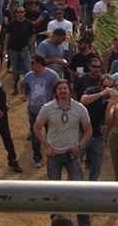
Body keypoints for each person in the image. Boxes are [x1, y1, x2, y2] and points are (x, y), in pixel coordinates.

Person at [34, 80, 92, 226]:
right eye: (60, 89)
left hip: (72, 155)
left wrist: (80, 145)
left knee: (79, 191)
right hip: (54, 155)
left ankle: (84, 223)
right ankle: (56, 222)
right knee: (54, 191)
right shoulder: (47, 108)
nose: (63, 91)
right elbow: (36, 128)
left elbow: (88, 130)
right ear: (55, 92)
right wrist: (46, 145)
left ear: (70, 90)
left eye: (65, 88)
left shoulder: (80, 108)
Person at [19, 55, 60, 167]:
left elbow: (59, 88)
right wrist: (23, 94)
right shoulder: (29, 75)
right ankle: (37, 157)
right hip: (33, 110)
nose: (31, 64)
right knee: (35, 135)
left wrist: (56, 102)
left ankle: (53, 155)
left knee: (51, 134)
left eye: (32, 62)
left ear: (39, 63)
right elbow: (21, 84)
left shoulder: (52, 75)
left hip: (49, 111)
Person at [80, 73, 115, 181]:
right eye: (105, 86)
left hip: (98, 135)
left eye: (110, 87)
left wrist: (110, 104)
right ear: (100, 85)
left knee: (97, 164)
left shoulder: (112, 99)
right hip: (83, 133)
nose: (107, 89)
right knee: (76, 160)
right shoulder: (92, 90)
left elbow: (108, 120)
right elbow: (83, 100)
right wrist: (101, 94)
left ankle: (92, 185)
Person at [2, 6, 35, 95]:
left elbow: (33, 36)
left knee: (27, 69)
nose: (20, 14)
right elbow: (7, 37)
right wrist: (5, 49)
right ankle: (16, 88)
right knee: (15, 70)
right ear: (15, 13)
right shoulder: (11, 24)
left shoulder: (29, 24)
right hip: (13, 50)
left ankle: (28, 89)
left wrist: (29, 45)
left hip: (25, 50)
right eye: (18, 12)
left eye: (22, 12)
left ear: (24, 13)